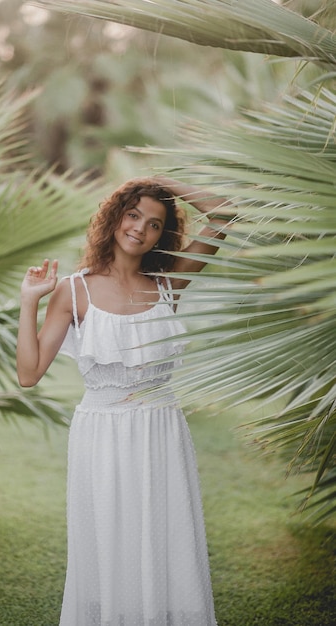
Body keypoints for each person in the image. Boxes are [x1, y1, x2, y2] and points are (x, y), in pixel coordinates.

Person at [16, 176, 232, 626]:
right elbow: (28, 374)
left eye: (155, 223)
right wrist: (28, 301)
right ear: (115, 217)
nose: (140, 228)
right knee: (110, 540)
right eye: (133, 214)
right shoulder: (73, 290)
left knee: (165, 536)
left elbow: (225, 215)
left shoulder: (170, 282)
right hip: (102, 434)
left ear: (163, 234)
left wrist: (162, 183)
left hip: (162, 430)